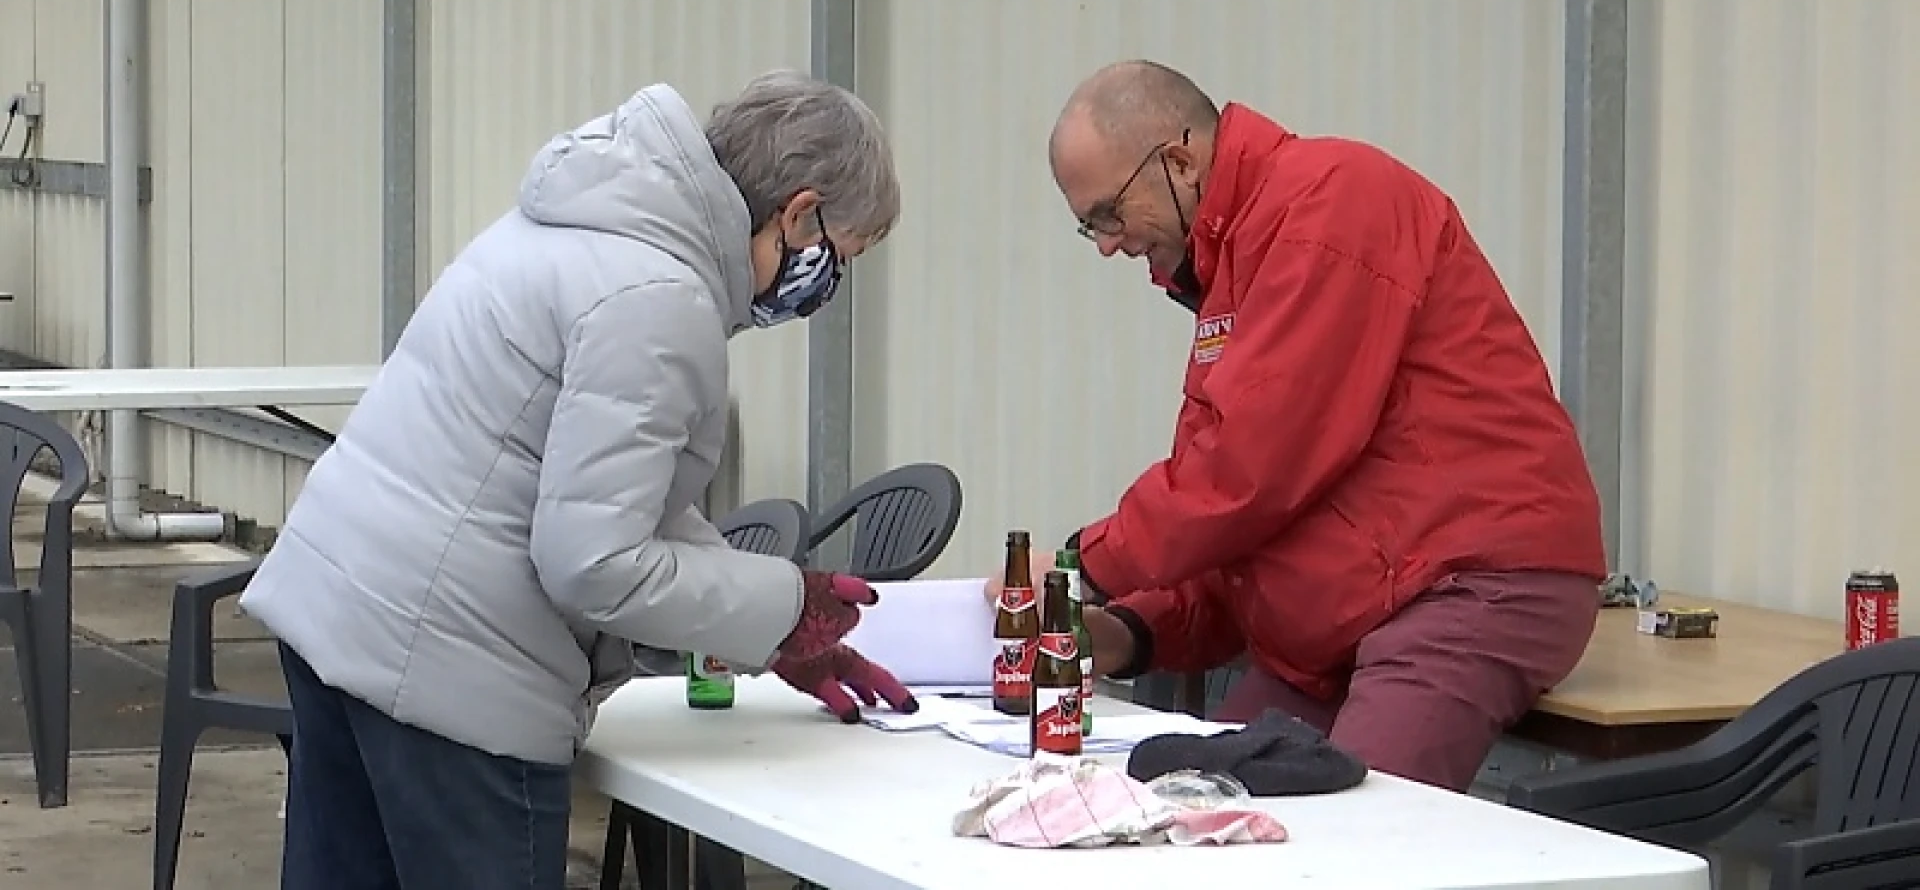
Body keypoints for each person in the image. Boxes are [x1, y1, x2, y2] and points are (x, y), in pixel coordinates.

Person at [239, 71, 918, 890]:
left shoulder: (589, 218)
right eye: (839, 258)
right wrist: (785, 604)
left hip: (343, 612)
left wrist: (766, 628)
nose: (825, 285)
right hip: (453, 674)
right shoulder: (658, 297)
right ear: (799, 213)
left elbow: (627, 505)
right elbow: (593, 559)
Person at [1005, 59, 1608, 793]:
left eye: (1107, 213)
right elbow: (1237, 530)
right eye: (1087, 226)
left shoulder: (1332, 204)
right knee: (1194, 803)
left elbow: (1250, 470)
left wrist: (1080, 568)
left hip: (1466, 586)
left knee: (1344, 849)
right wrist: (1127, 632)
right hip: (1361, 613)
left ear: (1179, 161)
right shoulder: (1241, 263)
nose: (1106, 242)